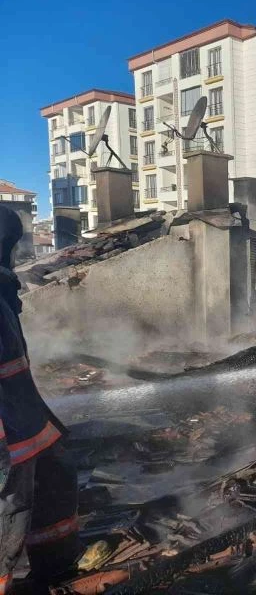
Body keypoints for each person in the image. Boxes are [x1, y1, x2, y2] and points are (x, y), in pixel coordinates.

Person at [0, 206, 81, 594]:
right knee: (9, 512)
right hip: (8, 435)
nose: (15, 257)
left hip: (25, 420)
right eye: (11, 247)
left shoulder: (2, 291)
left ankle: (55, 570)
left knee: (56, 477)